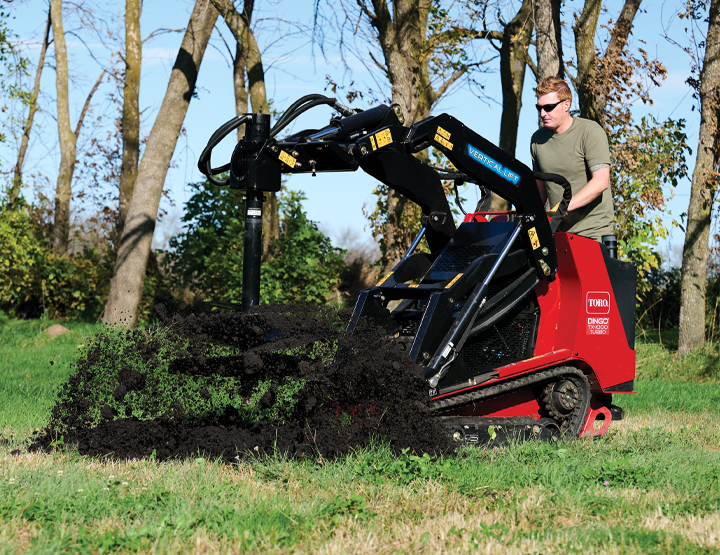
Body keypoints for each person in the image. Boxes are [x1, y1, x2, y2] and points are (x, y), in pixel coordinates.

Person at [530, 76, 614, 242]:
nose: (542, 113)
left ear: (567, 104)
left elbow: (601, 182)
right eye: (539, 108)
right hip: (557, 234)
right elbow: (540, 193)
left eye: (548, 107)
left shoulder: (590, 132)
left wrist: (560, 210)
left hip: (593, 234)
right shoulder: (537, 140)